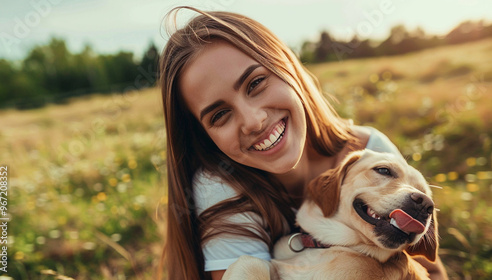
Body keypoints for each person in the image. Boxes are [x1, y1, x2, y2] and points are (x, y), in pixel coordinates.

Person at [159, 6, 448, 280]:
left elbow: (428, 269)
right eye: (220, 115)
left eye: (256, 83)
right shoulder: (220, 188)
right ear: (205, 137)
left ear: (287, 68)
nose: (253, 121)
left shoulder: (371, 152)